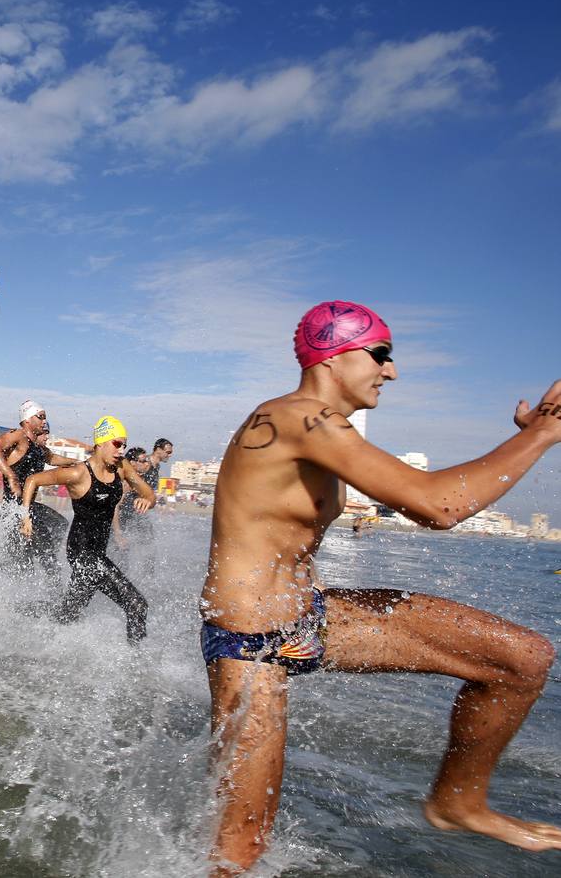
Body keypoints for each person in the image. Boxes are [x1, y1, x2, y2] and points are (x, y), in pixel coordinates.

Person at [201, 301, 561, 874]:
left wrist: (531, 437)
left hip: (311, 617)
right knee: (241, 850)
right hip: (251, 647)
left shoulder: (316, 423)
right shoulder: (299, 417)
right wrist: (543, 434)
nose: (391, 371)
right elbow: (438, 505)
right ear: (337, 353)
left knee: (521, 658)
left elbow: (431, 490)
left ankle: (458, 803)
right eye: (382, 355)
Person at [19, 416, 155, 640]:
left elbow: (148, 492)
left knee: (68, 614)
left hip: (98, 554)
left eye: (124, 445)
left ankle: (24, 612)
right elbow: (33, 480)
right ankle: (135, 667)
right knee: (137, 605)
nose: (121, 450)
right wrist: (26, 517)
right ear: (101, 443)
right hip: (81, 553)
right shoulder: (78, 473)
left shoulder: (121, 468)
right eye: (117, 444)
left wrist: (148, 500)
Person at [0, 400, 78, 577]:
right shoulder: (19, 436)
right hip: (15, 509)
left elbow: (52, 458)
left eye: (45, 418)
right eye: (41, 417)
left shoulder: (38, 448)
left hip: (29, 507)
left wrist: (78, 463)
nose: (44, 421)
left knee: (59, 526)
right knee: (27, 562)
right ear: (27, 420)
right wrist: (10, 476)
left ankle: (28, 557)